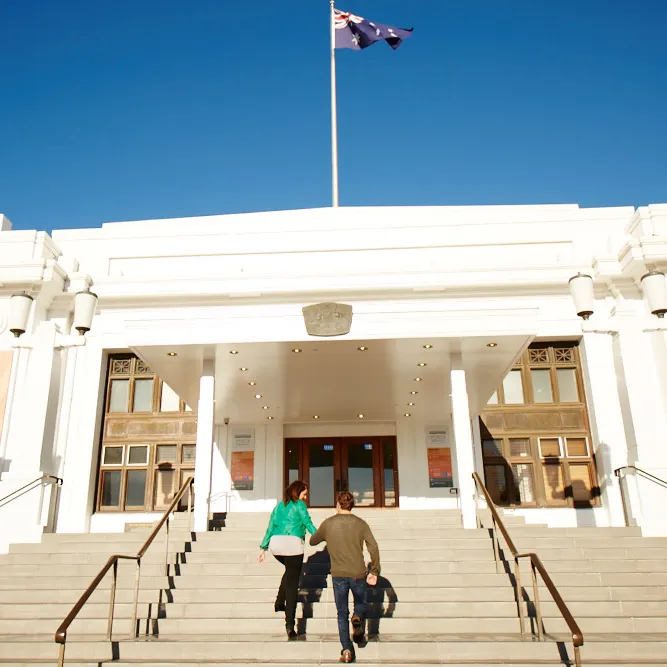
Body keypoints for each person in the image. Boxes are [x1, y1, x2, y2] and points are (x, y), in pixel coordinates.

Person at [310, 491, 380, 663]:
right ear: (352, 505)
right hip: (358, 573)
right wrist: (375, 570)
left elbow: (313, 541)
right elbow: (373, 547)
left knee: (341, 613)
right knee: (361, 603)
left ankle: (347, 650)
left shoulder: (329, 523)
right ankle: (357, 617)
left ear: (338, 504)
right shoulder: (361, 523)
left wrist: (326, 533)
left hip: (338, 574)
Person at [258, 480, 317, 639]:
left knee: (290, 571)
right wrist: (321, 536)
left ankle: (279, 601)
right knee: (292, 585)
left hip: (276, 546)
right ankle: (290, 625)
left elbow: (270, 526)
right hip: (293, 545)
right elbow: (308, 523)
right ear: (298, 492)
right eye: (304, 494)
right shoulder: (300, 505)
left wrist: (263, 547)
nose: (305, 498)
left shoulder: (279, 506)